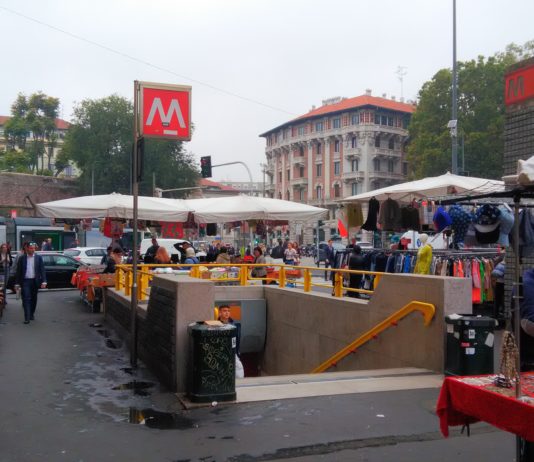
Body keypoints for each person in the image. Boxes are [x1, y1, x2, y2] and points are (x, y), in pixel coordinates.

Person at [14, 242, 47, 324]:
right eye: (31, 248)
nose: (33, 250)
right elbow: (18, 272)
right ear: (27, 249)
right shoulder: (22, 258)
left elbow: (42, 270)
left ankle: (31, 313)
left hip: (35, 281)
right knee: (26, 298)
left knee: (33, 299)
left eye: (34, 248)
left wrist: (44, 281)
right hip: (25, 281)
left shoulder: (38, 258)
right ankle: (27, 317)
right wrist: (17, 283)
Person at [217, 304, 244, 377]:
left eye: (228, 311)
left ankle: (240, 385)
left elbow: (237, 339)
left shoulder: (235, 325)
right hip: (222, 352)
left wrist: (237, 352)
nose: (227, 312)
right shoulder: (216, 325)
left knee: (239, 369)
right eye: (224, 311)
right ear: (220, 313)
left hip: (233, 351)